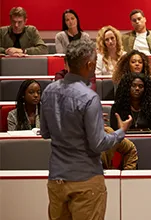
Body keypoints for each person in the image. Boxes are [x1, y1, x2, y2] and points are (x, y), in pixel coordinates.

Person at [40, 39, 132, 220]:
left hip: (57, 179)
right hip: (85, 180)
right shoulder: (89, 97)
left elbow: (45, 132)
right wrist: (120, 132)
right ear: (89, 64)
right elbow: (98, 143)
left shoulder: (48, 91)